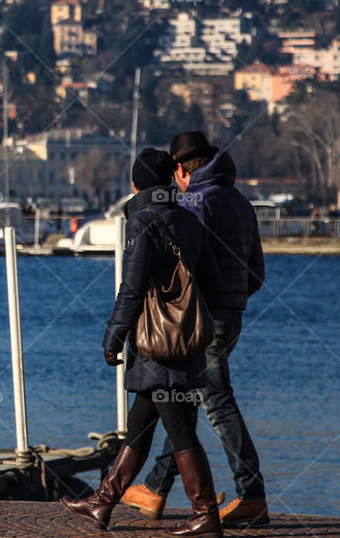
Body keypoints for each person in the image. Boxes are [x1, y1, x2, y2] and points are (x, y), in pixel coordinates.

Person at [60, 148, 223, 537]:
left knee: (180, 432)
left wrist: (113, 336)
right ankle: (103, 501)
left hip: (157, 344)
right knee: (139, 428)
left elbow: (131, 289)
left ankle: (205, 513)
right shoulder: (189, 219)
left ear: (137, 184)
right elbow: (213, 281)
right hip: (185, 340)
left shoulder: (141, 222)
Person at [121, 131, 268, 527]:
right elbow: (257, 273)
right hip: (233, 314)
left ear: (183, 171)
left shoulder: (197, 203)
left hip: (202, 322)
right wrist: (234, 298)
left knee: (216, 403)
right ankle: (154, 488)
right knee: (185, 400)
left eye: (175, 174)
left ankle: (251, 494)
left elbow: (188, 270)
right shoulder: (240, 202)